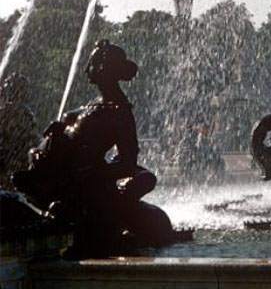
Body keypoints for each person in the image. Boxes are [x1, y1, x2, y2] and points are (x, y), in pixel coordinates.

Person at [14, 39, 171, 254]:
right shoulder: (95, 103)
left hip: (81, 185)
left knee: (51, 211)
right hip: (59, 174)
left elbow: (127, 162)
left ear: (105, 69)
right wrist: (62, 130)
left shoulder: (120, 111)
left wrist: (87, 173)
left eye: (93, 64)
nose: (88, 69)